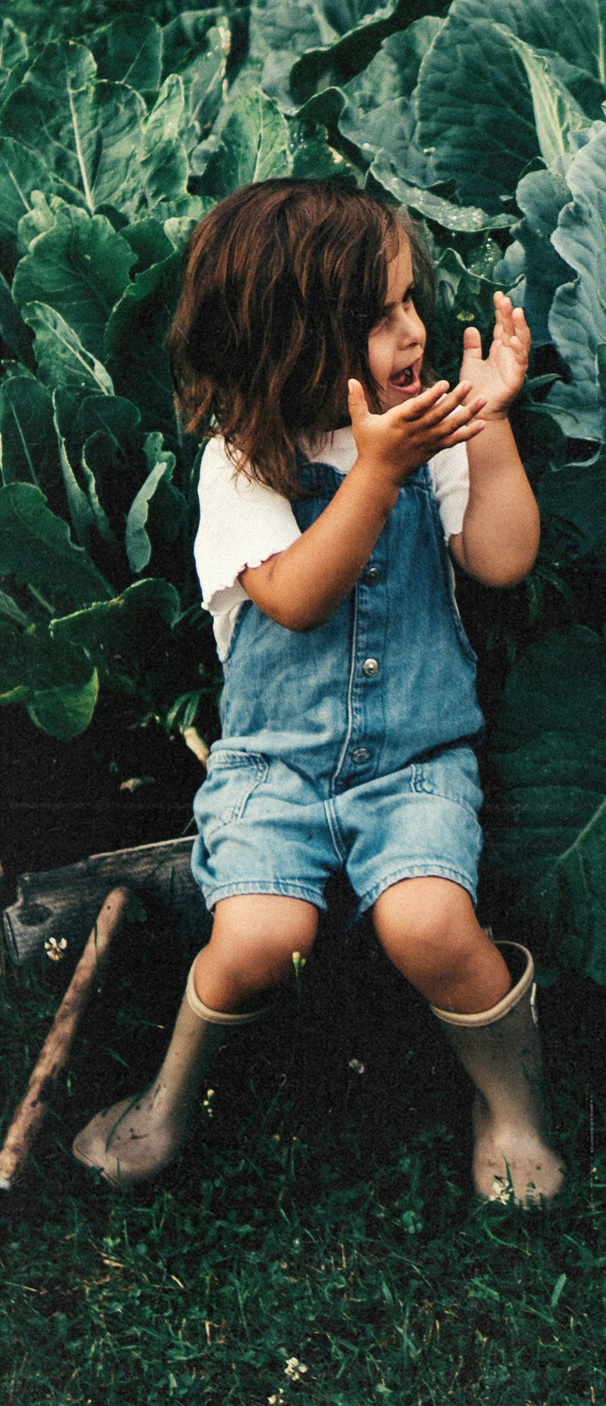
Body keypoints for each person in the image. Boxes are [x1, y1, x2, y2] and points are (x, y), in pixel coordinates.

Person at [71, 180, 565, 1207]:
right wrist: (379, 474)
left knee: (432, 925)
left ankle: (513, 1104)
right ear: (295, 345)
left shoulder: (426, 432)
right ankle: (170, 1094)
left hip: (417, 759)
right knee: (258, 939)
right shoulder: (242, 466)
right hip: (274, 769)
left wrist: (487, 423)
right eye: (381, 315)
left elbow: (502, 557)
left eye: (410, 302)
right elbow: (295, 599)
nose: (414, 329)